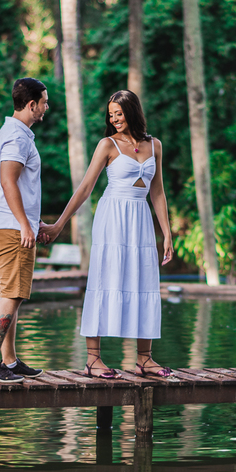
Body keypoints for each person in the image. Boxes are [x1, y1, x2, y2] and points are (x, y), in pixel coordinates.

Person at [40, 90, 173, 378]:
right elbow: (85, 188)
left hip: (141, 218)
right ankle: (93, 360)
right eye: (110, 114)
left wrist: (168, 235)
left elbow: (158, 192)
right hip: (113, 217)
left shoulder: (155, 145)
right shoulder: (107, 145)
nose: (113, 119)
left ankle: (144, 359)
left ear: (132, 111)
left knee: (144, 280)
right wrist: (59, 224)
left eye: (119, 113)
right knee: (104, 279)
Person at [0, 78, 50, 383]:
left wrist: (31, 220)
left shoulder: (14, 133)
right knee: (12, 293)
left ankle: (9, 360)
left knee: (10, 294)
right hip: (8, 225)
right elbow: (8, 181)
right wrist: (23, 223)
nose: (47, 107)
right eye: (44, 102)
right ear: (31, 105)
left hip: (1, 222)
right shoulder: (18, 138)